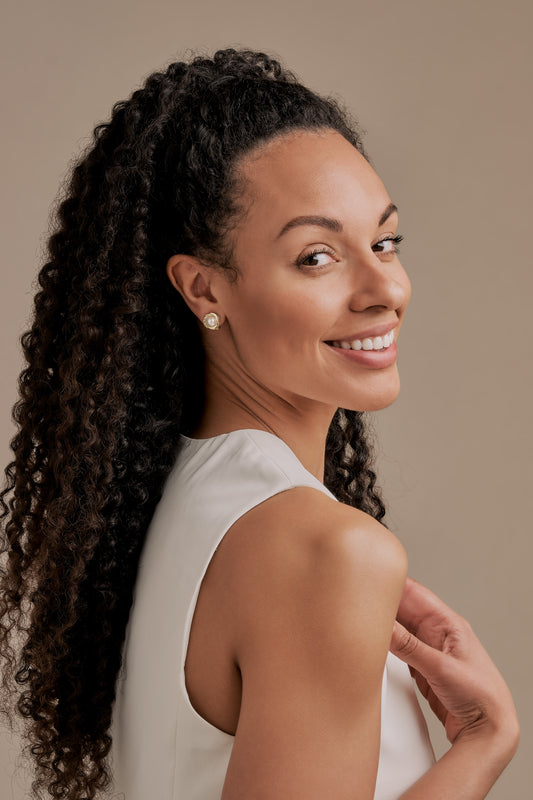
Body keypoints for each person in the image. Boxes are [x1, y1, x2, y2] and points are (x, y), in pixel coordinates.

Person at [0, 48, 518, 800]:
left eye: (384, 242)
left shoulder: (168, 506)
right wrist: (481, 749)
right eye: (316, 257)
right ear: (203, 287)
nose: (384, 290)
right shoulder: (326, 554)